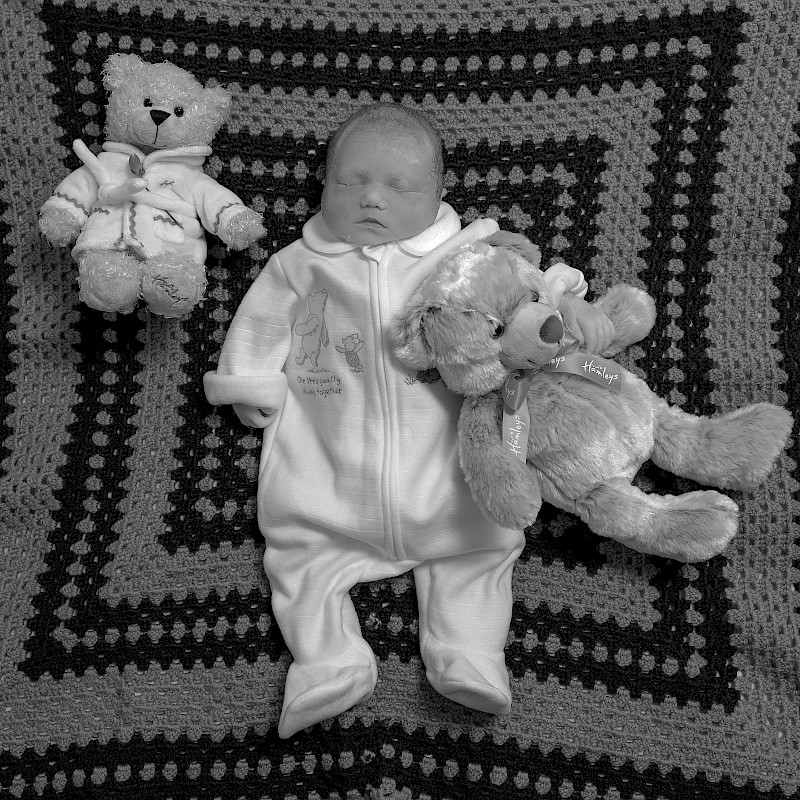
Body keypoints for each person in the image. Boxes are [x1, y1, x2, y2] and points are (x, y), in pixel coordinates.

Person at [204, 103, 614, 738]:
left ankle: (469, 653)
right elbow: (259, 322)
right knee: (299, 557)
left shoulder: (469, 257)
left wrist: (573, 310)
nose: (371, 199)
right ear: (324, 187)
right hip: (326, 464)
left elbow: (534, 296)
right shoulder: (299, 264)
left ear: (440, 194)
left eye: (400, 187)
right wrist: (249, 381)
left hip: (448, 470)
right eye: (349, 182)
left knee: (478, 548)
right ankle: (326, 661)